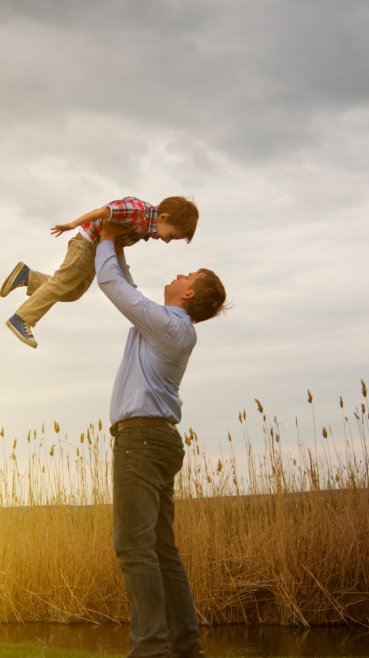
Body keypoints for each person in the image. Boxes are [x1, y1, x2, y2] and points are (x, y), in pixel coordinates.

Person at [96, 219, 227, 658]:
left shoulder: (170, 327)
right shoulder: (168, 325)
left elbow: (112, 284)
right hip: (157, 440)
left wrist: (108, 238)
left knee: (134, 546)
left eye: (187, 275)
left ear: (189, 294)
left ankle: (150, 651)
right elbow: (129, 285)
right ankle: (187, 649)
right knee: (160, 549)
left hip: (142, 441)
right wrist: (119, 245)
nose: (178, 274)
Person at [0, 196, 199, 348]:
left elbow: (119, 245)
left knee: (72, 292)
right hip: (86, 244)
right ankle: (22, 318)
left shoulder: (147, 228)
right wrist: (73, 224)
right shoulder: (138, 211)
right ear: (164, 217)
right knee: (61, 283)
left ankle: (27, 276)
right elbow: (103, 212)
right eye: (171, 236)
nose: (166, 240)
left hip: (95, 250)